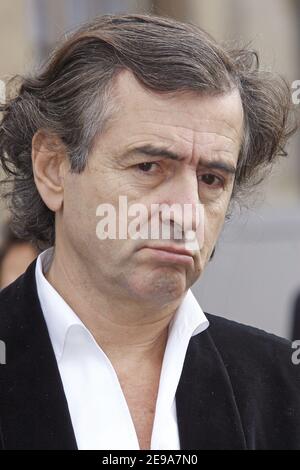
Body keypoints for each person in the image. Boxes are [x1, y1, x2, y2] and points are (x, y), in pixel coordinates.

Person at [0, 13, 299, 450]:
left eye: (211, 179)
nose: (185, 212)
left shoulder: (282, 386)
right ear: (53, 167)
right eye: (149, 167)